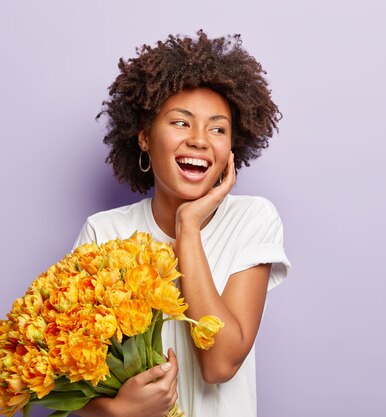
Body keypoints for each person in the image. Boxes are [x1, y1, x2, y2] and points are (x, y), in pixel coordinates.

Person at [72, 30, 290, 417]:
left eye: (218, 129)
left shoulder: (253, 219)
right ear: (143, 137)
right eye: (181, 123)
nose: (201, 140)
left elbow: (219, 365)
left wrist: (187, 227)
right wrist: (118, 411)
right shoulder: (102, 233)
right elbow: (70, 392)